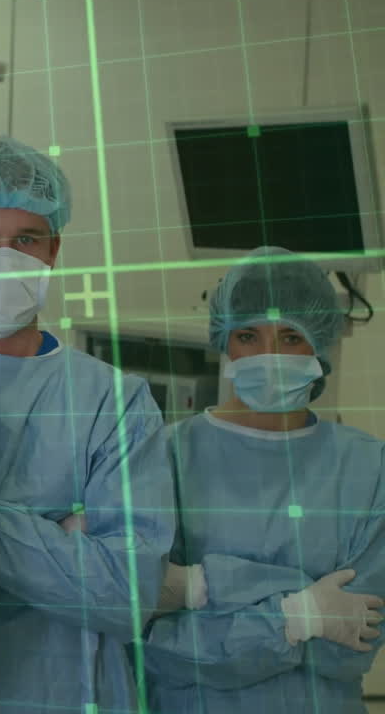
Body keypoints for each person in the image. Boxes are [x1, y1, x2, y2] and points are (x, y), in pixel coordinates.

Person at [0, 137, 175, 713]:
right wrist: (57, 539)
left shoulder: (113, 402)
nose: (5, 257)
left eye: (25, 240)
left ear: (54, 251)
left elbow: (126, 593)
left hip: (68, 690)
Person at [142, 246, 385, 713]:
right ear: (224, 342)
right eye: (249, 335)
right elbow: (155, 646)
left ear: (320, 343)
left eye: (291, 337)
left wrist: (196, 587)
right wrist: (301, 614)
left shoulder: (369, 469)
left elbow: (350, 647)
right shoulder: (163, 458)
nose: (268, 355)